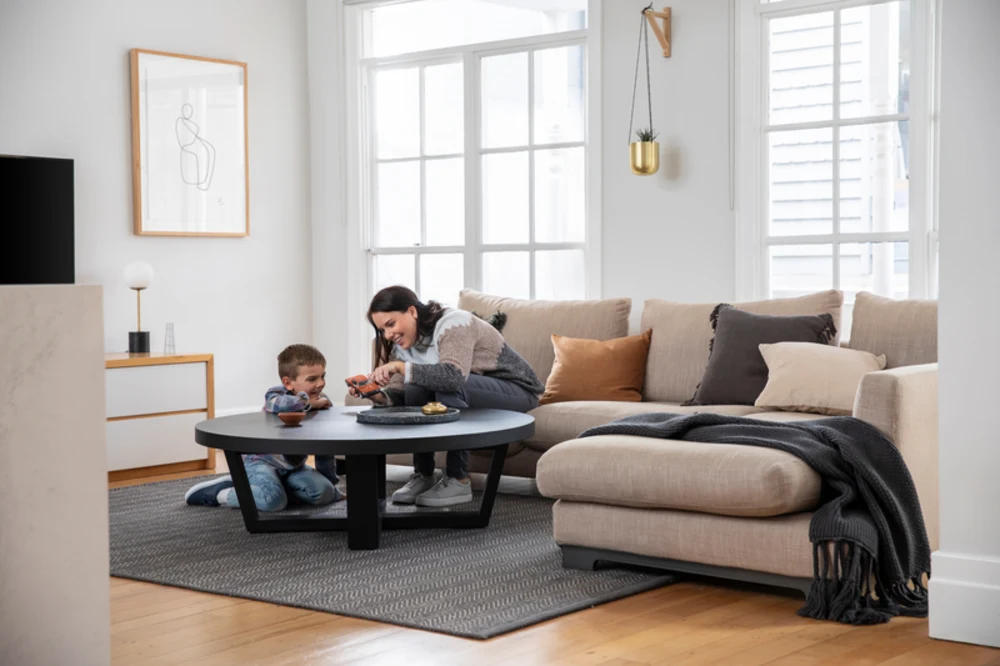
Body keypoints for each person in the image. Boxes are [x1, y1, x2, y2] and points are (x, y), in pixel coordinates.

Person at [350, 286, 544, 507]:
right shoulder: (404, 344)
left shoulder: (455, 323)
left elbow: (453, 378)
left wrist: (402, 368)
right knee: (415, 385)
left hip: (517, 391)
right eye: (382, 329)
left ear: (412, 312)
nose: (388, 335)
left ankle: (458, 478)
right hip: (476, 390)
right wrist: (376, 395)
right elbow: (399, 393)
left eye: (391, 324)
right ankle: (423, 474)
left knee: (445, 385)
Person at [185, 344, 344, 510]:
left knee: (324, 493)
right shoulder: (276, 396)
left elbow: (324, 447)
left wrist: (331, 486)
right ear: (288, 383)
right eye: (312, 379)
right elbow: (284, 405)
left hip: (292, 467)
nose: (320, 384)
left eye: (322, 377)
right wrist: (307, 402)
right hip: (260, 462)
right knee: (272, 500)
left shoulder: (319, 402)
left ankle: (259, 488)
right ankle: (219, 493)